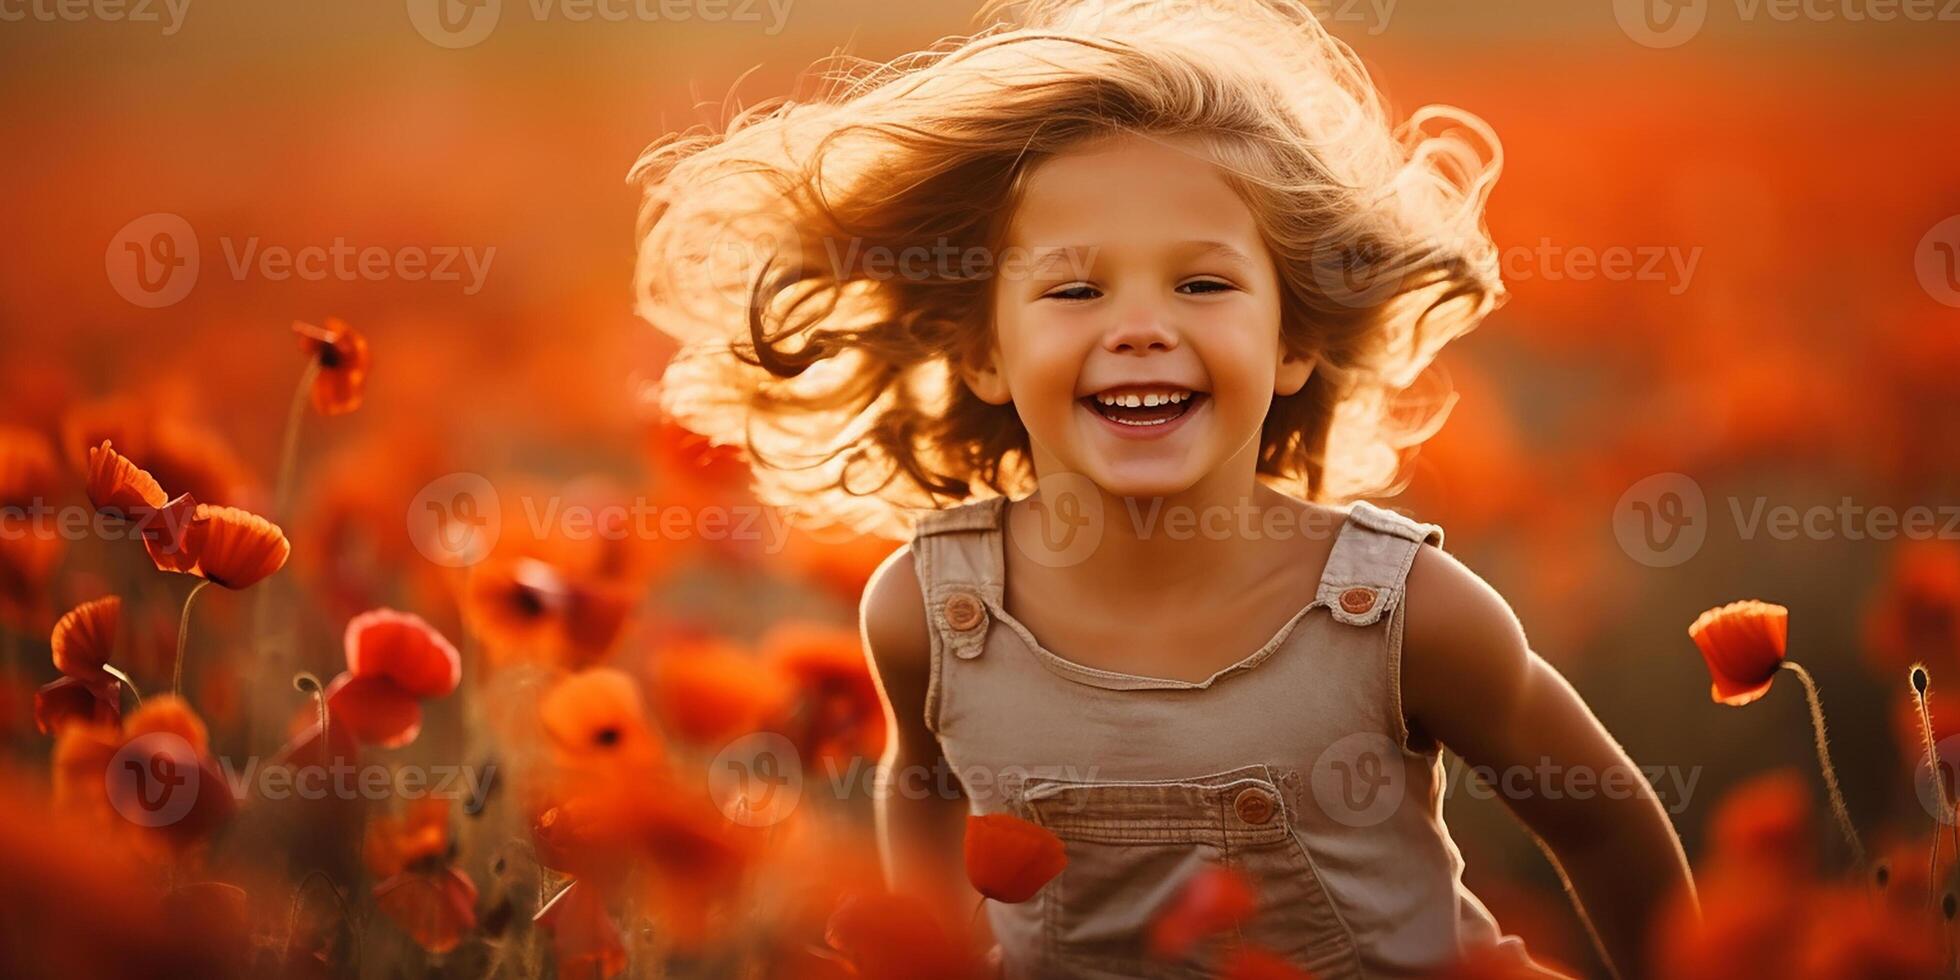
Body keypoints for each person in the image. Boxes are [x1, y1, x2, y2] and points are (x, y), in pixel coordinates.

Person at [633, 1, 1698, 976]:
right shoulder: (930, 611)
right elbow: (925, 785)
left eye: (1201, 282)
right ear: (983, 352)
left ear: (1291, 341)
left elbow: (1601, 823)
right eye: (1074, 287)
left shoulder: (1402, 612)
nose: (1140, 325)